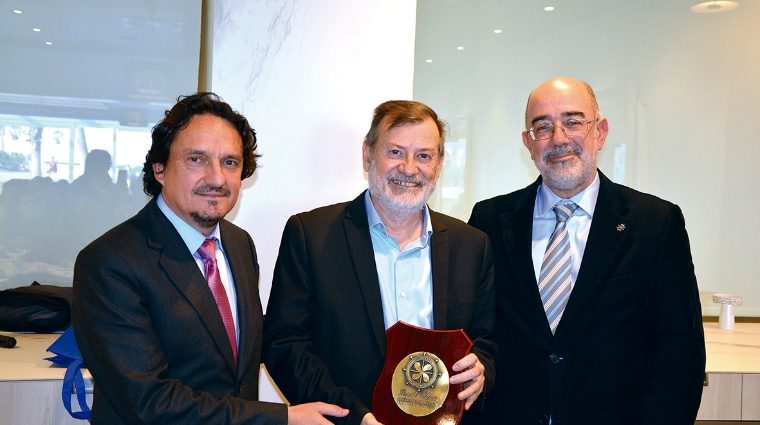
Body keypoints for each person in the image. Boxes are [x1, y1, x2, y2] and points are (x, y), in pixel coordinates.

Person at [72, 92, 348, 425]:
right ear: (159, 168)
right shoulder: (109, 263)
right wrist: (281, 419)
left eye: (230, 162)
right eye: (197, 159)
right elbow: (148, 403)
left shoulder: (238, 245)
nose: (217, 178)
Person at [467, 76, 705, 424]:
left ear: (600, 131)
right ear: (528, 143)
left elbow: (679, 353)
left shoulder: (656, 223)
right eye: (543, 127)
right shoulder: (488, 220)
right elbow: (477, 334)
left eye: (573, 121)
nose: (559, 138)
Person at [263, 100, 498, 425]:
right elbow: (284, 343)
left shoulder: (471, 245)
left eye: (424, 155)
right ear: (367, 154)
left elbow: (487, 339)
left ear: (440, 164)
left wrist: (482, 365)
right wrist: (353, 417)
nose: (409, 168)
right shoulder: (311, 236)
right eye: (396, 152)